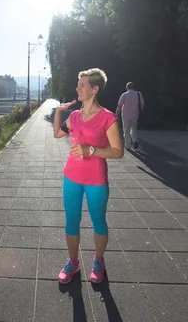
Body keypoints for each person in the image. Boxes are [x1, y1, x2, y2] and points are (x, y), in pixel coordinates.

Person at [53, 68, 124, 284]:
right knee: (71, 221)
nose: (77, 88)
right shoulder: (74, 116)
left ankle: (99, 261)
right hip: (71, 177)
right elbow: (57, 134)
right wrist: (58, 112)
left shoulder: (107, 118)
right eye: (78, 84)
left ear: (94, 89)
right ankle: (73, 262)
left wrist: (89, 150)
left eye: (82, 85)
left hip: (96, 180)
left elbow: (118, 151)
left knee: (98, 222)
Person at [115, 82, 145, 150]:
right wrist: (141, 110)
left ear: (127, 87)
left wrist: (116, 115)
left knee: (126, 130)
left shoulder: (124, 95)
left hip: (125, 115)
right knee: (133, 129)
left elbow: (119, 106)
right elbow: (142, 104)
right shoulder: (138, 94)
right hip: (135, 115)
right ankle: (135, 140)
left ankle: (127, 145)